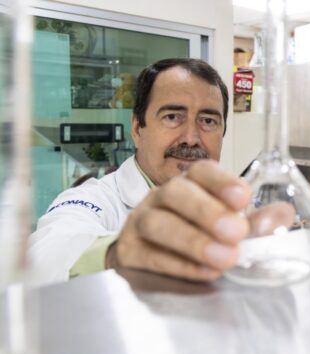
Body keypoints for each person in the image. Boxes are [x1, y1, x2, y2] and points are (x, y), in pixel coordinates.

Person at [29, 58, 291, 285]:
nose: (191, 138)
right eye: (172, 117)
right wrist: (117, 254)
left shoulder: (236, 206)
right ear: (137, 129)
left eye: (208, 121)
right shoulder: (96, 199)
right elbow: (45, 256)